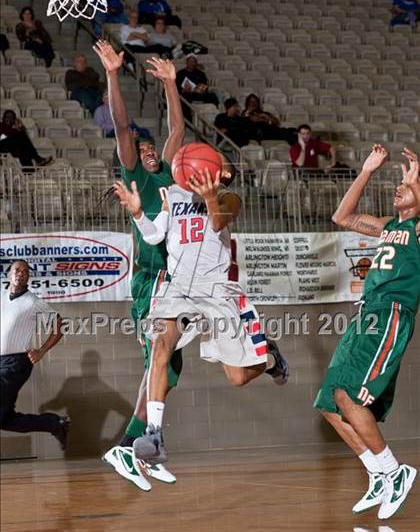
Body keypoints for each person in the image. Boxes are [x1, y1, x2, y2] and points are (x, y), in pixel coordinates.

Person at [114, 156, 289, 466]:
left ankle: (272, 359)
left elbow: (218, 221)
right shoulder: (174, 193)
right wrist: (138, 212)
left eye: (222, 166)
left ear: (224, 175)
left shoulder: (229, 197)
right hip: (178, 287)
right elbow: (154, 235)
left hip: (216, 290)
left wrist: (209, 197)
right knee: (160, 346)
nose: (214, 166)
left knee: (237, 377)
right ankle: (154, 433)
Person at [93, 40, 185, 489]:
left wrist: (170, 84)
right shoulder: (136, 175)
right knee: (158, 360)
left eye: (153, 152)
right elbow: (123, 125)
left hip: (175, 282)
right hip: (151, 281)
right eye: (142, 152)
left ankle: (139, 448)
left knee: (171, 367)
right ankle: (135, 446)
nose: (149, 154)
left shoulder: (169, 172)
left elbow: (178, 130)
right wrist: (113, 73)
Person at [314, 145, 420, 520]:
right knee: (329, 403)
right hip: (365, 316)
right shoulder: (389, 227)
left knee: (351, 397)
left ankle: (395, 471)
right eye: (400, 181)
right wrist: (367, 170)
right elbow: (341, 216)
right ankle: (378, 475)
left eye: (409, 183)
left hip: (391, 314)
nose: (400, 185)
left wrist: (418, 172)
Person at [0, 260, 69, 448]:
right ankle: (55, 424)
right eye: (16, 270)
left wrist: (42, 350)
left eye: (24, 271)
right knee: (4, 419)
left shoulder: (33, 302)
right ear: (9, 274)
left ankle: (56, 424)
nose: (20, 273)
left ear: (28, 276)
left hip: (16, 363)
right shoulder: (1, 295)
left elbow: (59, 326)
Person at [176, 54, 219, 119]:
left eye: (193, 61)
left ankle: (213, 116)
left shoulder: (201, 74)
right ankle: (188, 120)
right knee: (184, 98)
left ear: (196, 63)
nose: (191, 63)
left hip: (197, 93)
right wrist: (183, 90)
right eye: (190, 61)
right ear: (186, 62)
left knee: (212, 96)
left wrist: (201, 90)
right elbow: (176, 87)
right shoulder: (180, 73)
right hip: (185, 93)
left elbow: (204, 86)